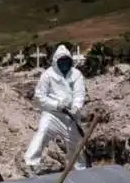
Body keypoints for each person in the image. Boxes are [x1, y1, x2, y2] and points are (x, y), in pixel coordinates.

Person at [23, 45, 87, 175]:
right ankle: (31, 164)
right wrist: (56, 105)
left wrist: (76, 106)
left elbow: (79, 93)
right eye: (61, 61)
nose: (64, 64)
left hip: (70, 117)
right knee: (42, 132)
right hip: (52, 114)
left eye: (66, 61)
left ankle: (80, 170)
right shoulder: (47, 75)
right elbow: (39, 97)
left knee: (76, 145)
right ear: (56, 62)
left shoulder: (76, 74)